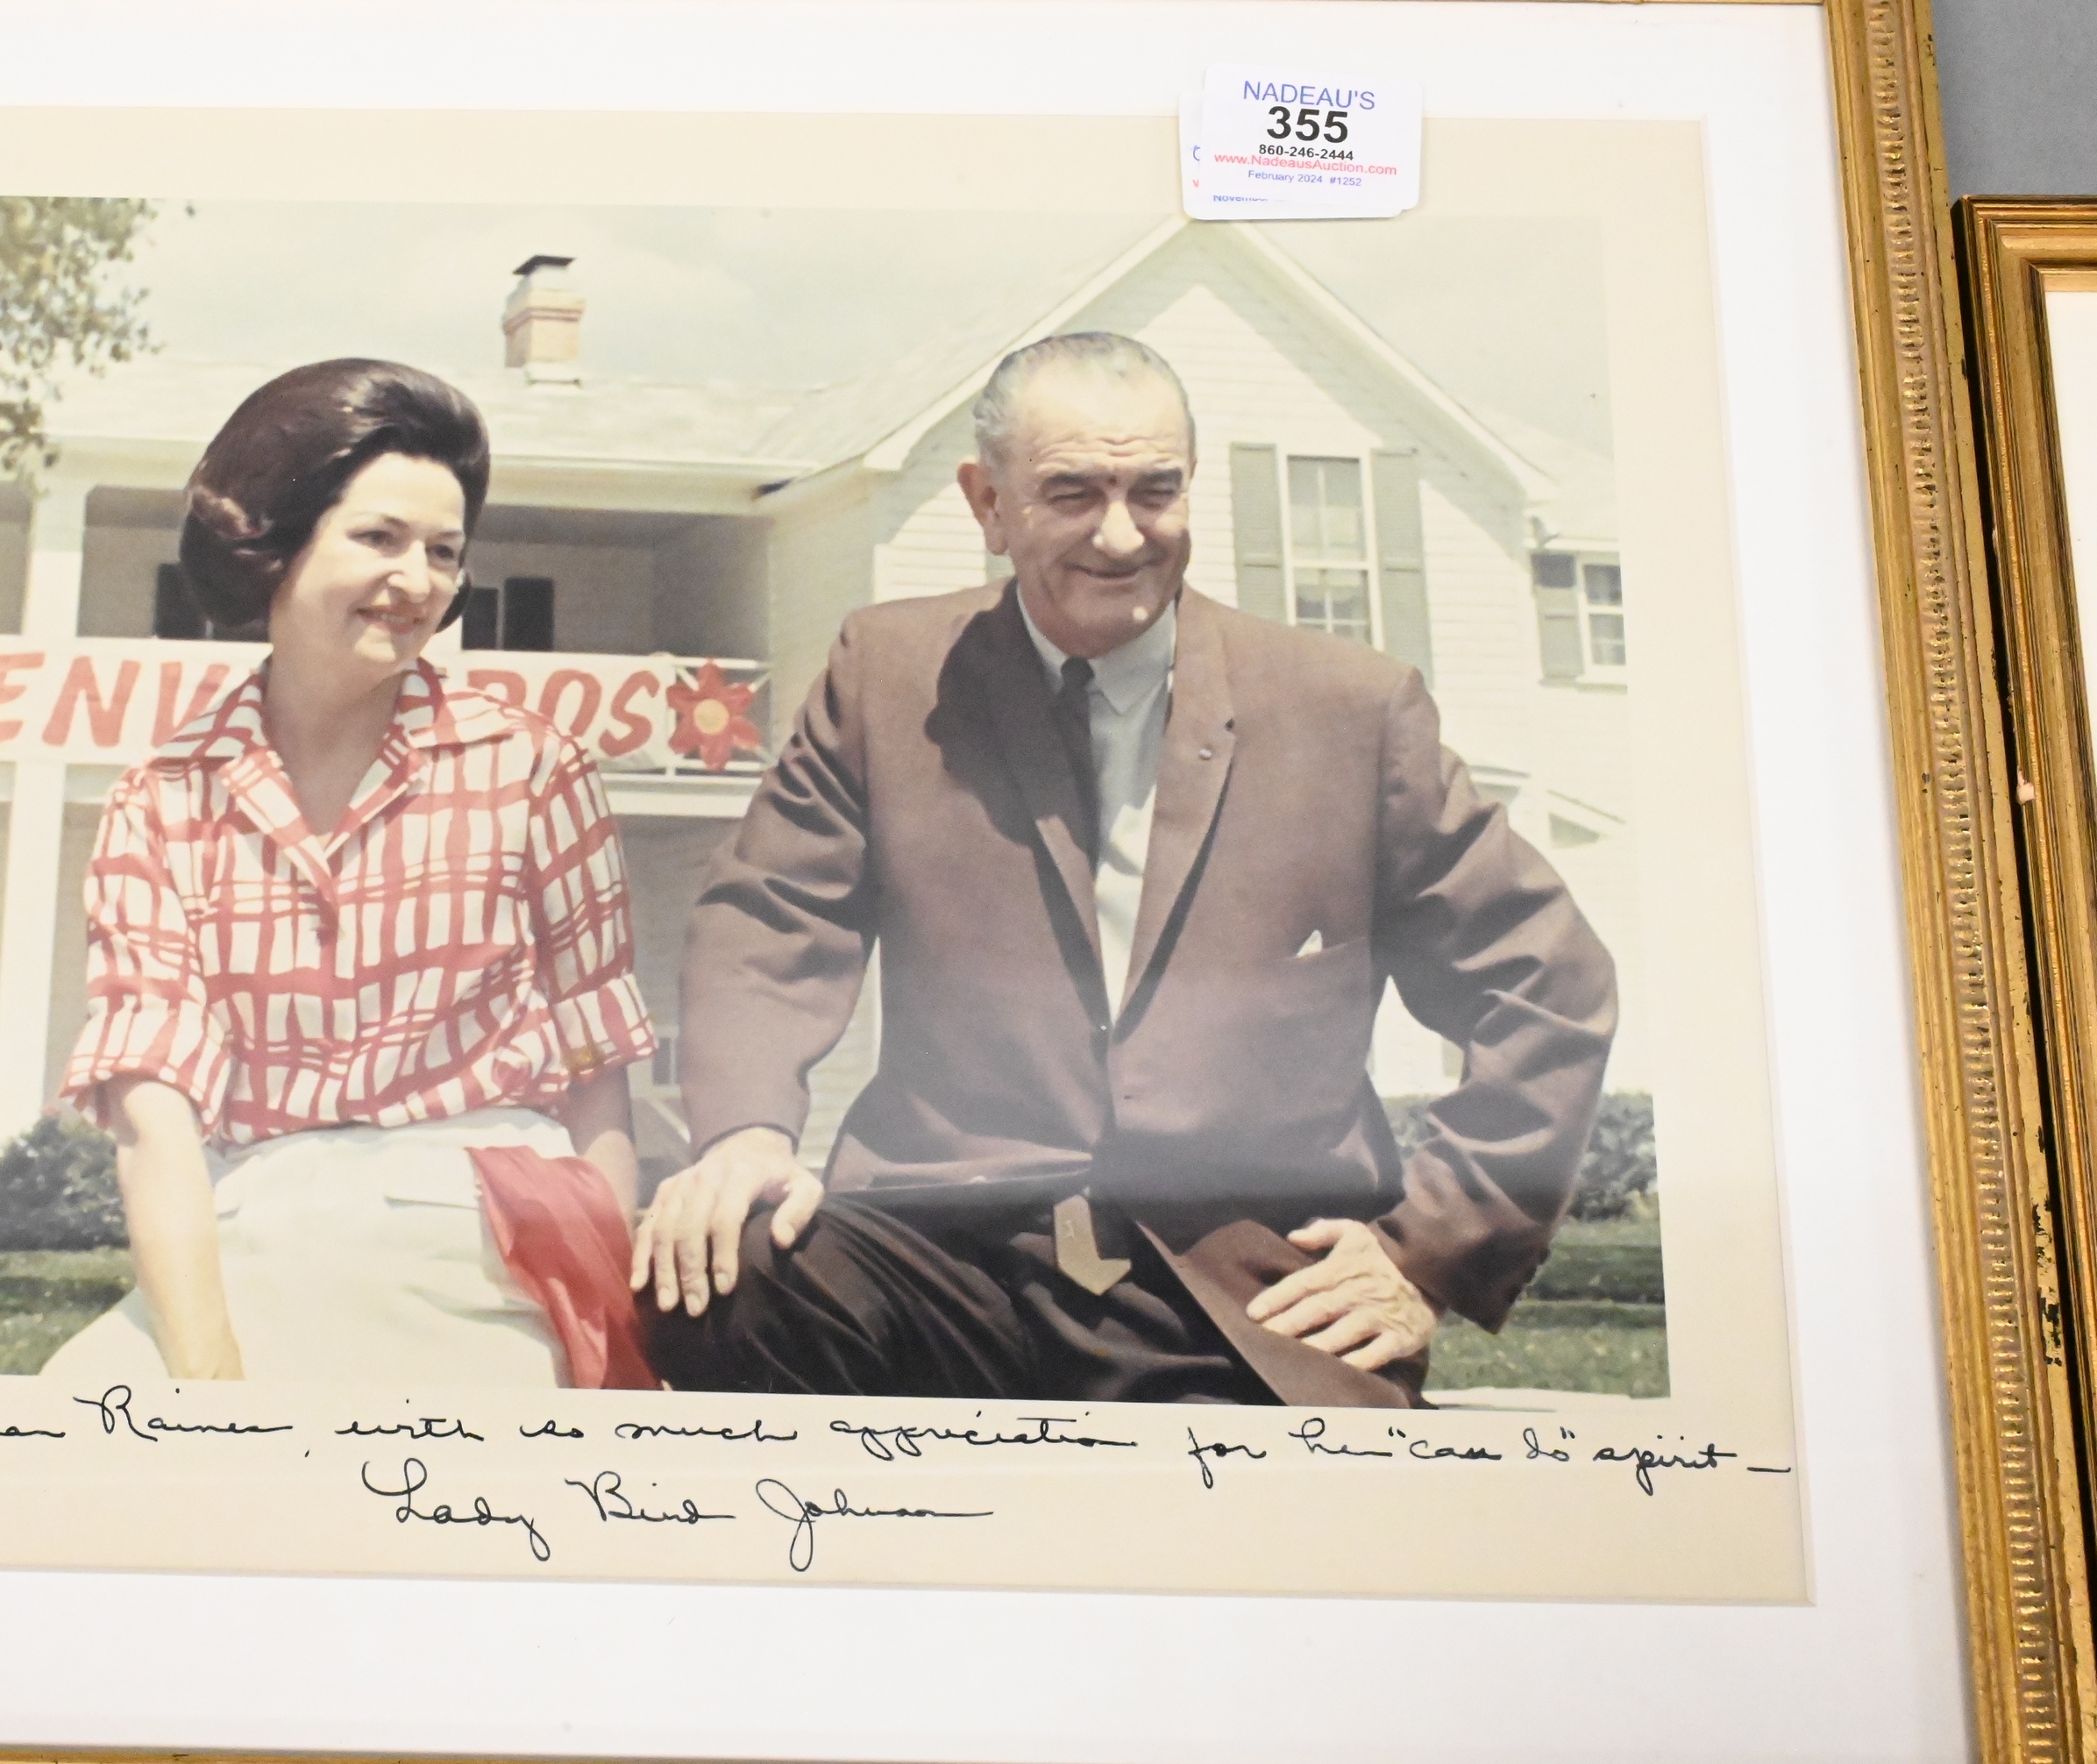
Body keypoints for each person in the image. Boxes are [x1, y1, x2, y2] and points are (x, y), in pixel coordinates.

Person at [636, 331, 1617, 1406]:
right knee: (722, 1275)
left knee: (1268, 1492)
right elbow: (769, 917)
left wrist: (1430, 1249)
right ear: (988, 503)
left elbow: (1547, 981)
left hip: (1245, 1286)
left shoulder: (1351, 708)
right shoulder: (887, 674)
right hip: (944, 1246)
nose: (1120, 534)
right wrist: (745, 1135)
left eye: (1155, 490)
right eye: (1072, 492)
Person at [44, 359, 657, 1387]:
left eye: (444, 552)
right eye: (379, 537)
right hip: (250, 1233)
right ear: (275, 545)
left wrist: (611, 1326)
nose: (417, 581)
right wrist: (207, 1376)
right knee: (76, 1417)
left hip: (487, 1238)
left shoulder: (533, 767)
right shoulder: (162, 799)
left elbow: (598, 1076)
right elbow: (156, 1124)